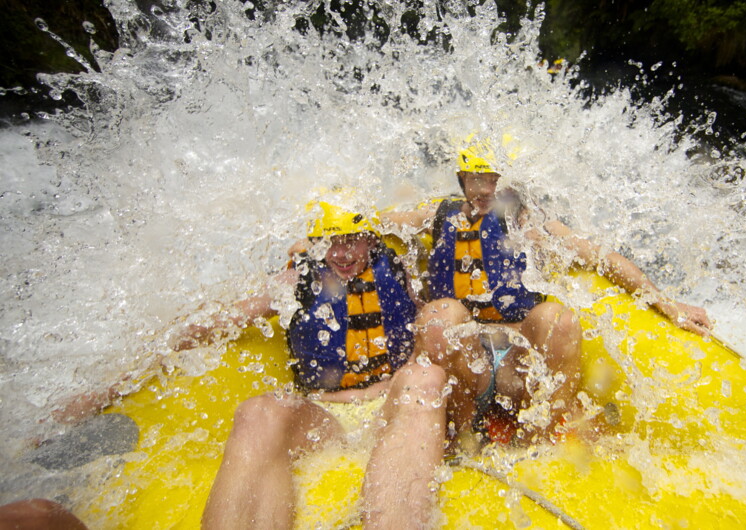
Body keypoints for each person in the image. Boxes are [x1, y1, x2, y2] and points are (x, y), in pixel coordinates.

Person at [381, 137, 712, 446]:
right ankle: (462, 442)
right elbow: (377, 222)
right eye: (476, 179)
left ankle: (536, 442)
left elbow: (603, 258)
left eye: (494, 180)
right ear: (462, 180)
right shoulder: (439, 217)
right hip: (464, 366)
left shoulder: (531, 226)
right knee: (441, 315)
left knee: (558, 319)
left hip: (518, 366)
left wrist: (667, 304)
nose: (484, 190)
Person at [185, 203, 448, 530]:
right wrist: (147, 355)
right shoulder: (295, 281)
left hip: (390, 407)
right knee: (258, 411)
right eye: (329, 242)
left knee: (426, 378)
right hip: (323, 418)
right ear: (314, 243)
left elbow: (430, 317)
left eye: (352, 240)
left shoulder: (396, 270)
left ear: (371, 238)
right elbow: (226, 318)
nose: (341, 253)